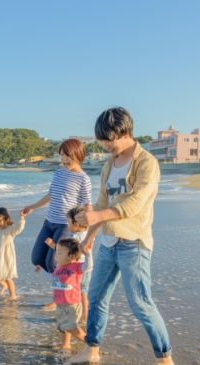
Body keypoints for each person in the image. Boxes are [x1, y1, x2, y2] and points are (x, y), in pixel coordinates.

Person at [67, 107, 174, 365]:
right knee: (96, 298)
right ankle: (91, 351)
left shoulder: (146, 162)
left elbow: (136, 203)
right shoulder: (109, 164)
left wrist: (98, 218)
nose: (105, 145)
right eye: (101, 140)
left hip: (134, 243)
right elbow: (102, 203)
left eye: (109, 139)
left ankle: (164, 359)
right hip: (108, 244)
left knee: (141, 303)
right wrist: (90, 236)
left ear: (125, 132)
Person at [22, 139, 93, 310]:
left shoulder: (84, 179)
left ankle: (60, 298)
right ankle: (61, 291)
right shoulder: (58, 174)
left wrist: (88, 233)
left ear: (78, 155)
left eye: (68, 156)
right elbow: (50, 195)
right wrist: (33, 206)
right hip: (49, 223)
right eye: (62, 155)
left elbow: (88, 206)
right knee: (37, 259)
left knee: (54, 263)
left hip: (65, 226)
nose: (64, 160)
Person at [35, 238, 93, 351]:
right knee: (62, 326)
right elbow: (52, 279)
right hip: (60, 303)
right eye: (56, 253)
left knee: (70, 326)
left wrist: (88, 253)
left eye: (60, 253)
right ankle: (65, 344)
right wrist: (41, 272)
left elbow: (88, 266)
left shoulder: (77, 267)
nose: (56, 256)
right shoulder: (59, 268)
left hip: (72, 304)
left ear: (71, 256)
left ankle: (89, 342)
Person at [45, 206, 93, 322]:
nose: (67, 225)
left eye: (68, 222)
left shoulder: (75, 237)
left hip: (77, 269)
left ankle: (72, 312)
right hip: (87, 267)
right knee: (84, 291)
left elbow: (67, 251)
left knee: (77, 291)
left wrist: (52, 245)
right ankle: (85, 314)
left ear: (76, 224)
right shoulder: (88, 234)